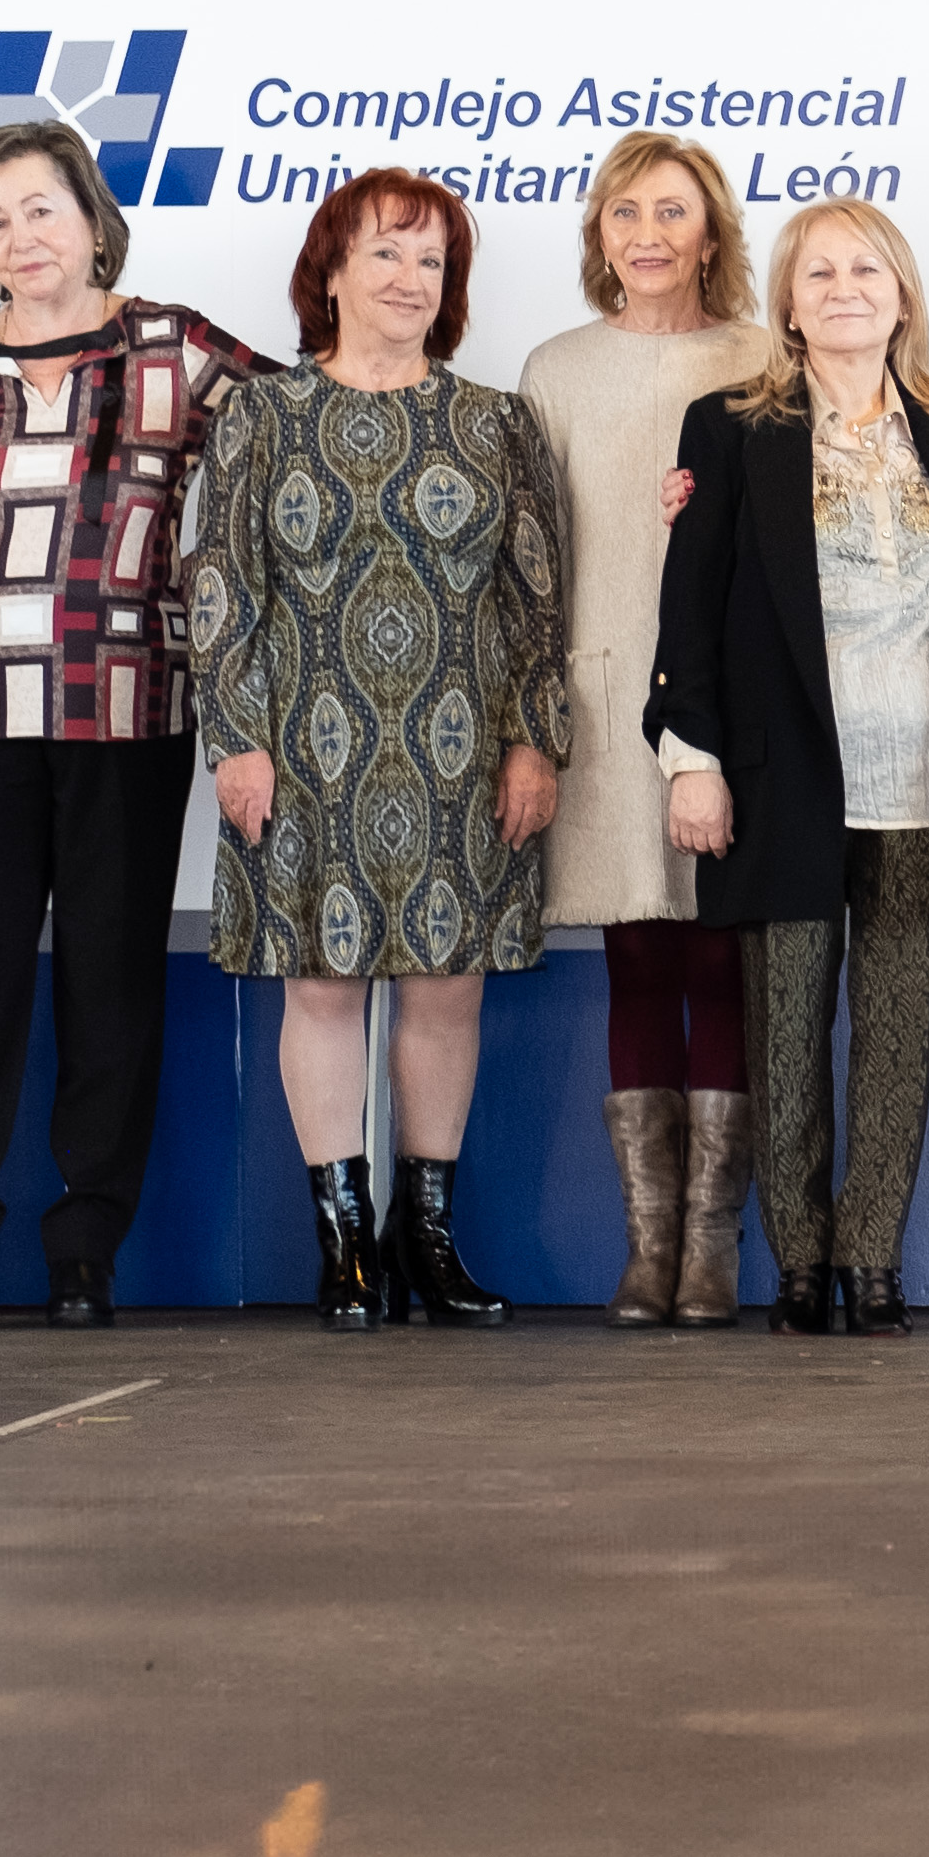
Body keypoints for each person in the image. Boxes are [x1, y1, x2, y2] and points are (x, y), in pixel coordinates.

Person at [0, 118, 272, 1326]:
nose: (19, 237)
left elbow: (304, 437)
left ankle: (87, 1244)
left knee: (111, 979)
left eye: (40, 208)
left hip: (129, 709)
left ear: (94, 218)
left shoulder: (177, 348)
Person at [193, 172, 573, 1331]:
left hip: (461, 750)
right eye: (385, 254)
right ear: (331, 271)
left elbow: (537, 602)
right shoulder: (261, 415)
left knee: (447, 990)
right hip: (303, 747)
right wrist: (236, 741)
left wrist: (534, 740)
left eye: (432, 262)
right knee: (321, 985)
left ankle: (427, 1240)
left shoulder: (497, 422)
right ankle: (345, 1244)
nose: (410, 279)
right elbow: (221, 587)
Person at [653, 195, 929, 1338]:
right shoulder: (729, 428)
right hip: (783, 776)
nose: (844, 289)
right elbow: (689, 608)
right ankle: (800, 1260)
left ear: (902, 294)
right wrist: (690, 758)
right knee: (786, 1034)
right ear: (788, 306)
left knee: (899, 1038)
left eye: (866, 270)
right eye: (819, 274)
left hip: (926, 780)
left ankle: (872, 1257)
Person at [519, 135, 784, 1324]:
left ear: (711, 231)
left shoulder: (763, 357)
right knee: (636, 954)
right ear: (598, 233)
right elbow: (530, 559)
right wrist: (534, 717)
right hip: (601, 694)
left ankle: (711, 1251)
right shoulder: (557, 368)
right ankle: (648, 1248)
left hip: (730, 701)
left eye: (671, 211)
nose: (646, 233)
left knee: (723, 955)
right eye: (623, 211)